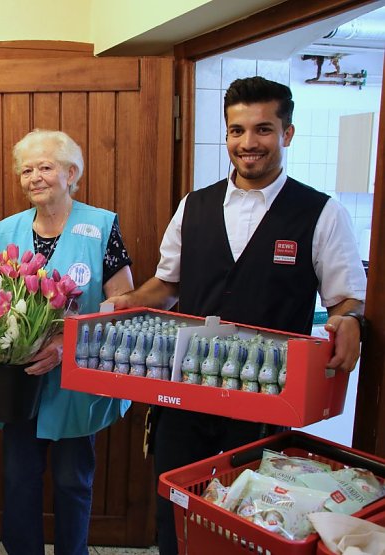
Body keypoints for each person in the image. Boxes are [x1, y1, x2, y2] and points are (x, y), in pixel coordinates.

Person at [108, 76, 367, 555]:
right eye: (237, 130)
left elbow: (346, 300)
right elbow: (167, 284)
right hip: (184, 394)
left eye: (263, 129)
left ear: (287, 133)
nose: (249, 142)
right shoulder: (194, 205)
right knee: (176, 514)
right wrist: (128, 302)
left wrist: (351, 320)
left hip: (266, 402)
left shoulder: (322, 212)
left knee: (251, 524)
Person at [0, 129, 133, 555]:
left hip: (78, 376)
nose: (34, 177)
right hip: (20, 380)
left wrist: (65, 342)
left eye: (45, 167)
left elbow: (122, 303)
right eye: (26, 170)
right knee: (18, 480)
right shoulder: (7, 230)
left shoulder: (101, 225)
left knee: (73, 481)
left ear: (71, 174)